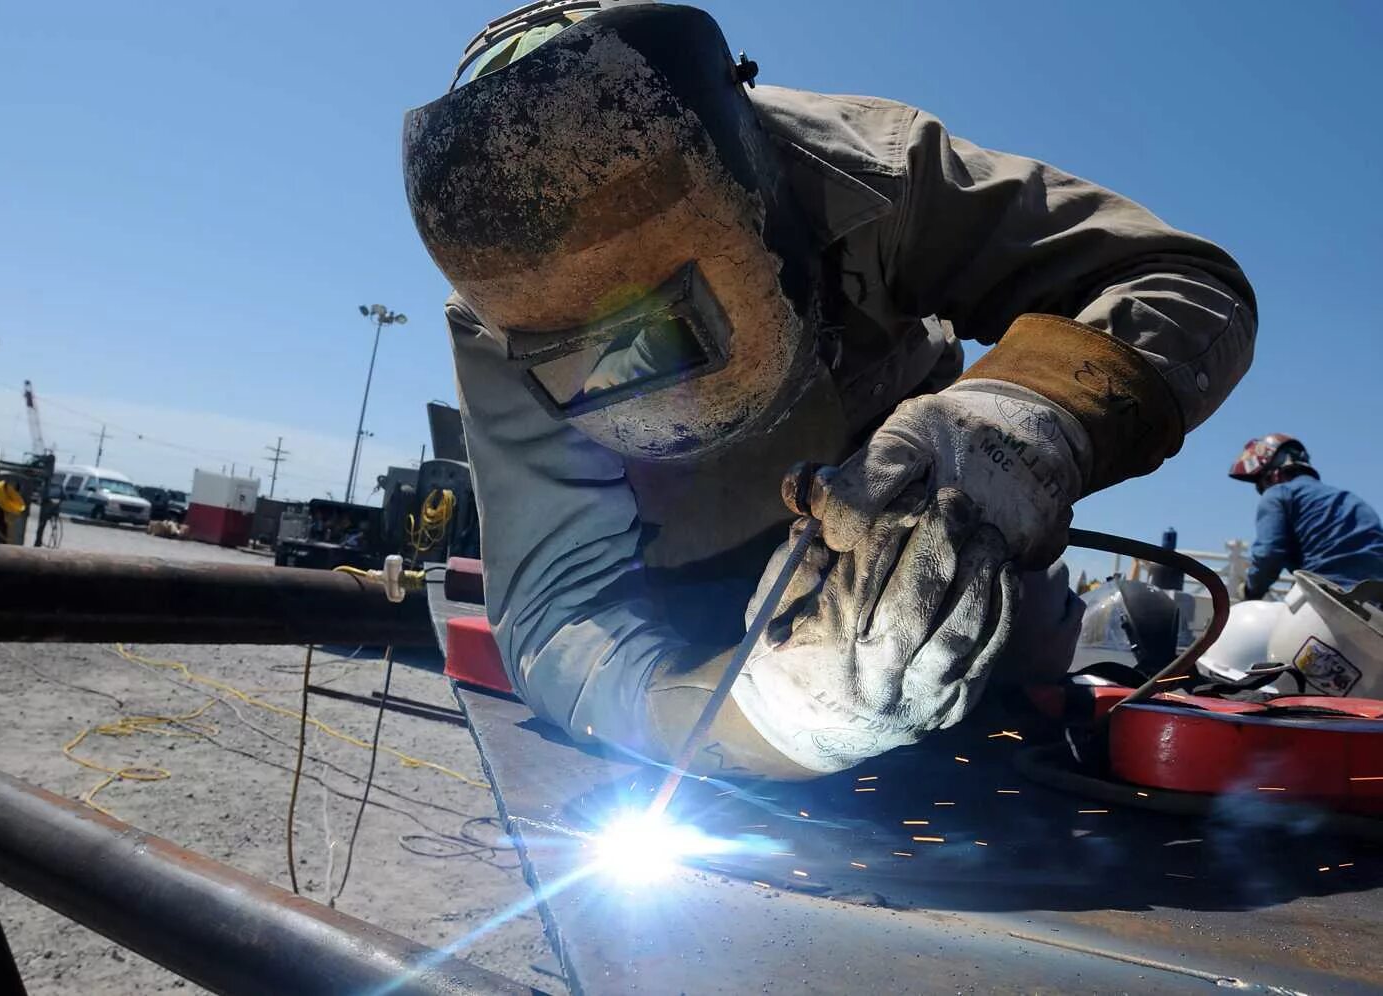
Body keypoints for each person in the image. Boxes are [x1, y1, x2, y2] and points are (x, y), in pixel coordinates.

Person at [402, 1, 1256, 778]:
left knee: (1012, 678)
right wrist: (766, 722)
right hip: (681, 608)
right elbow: (559, 615)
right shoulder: (499, 326)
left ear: (757, 197)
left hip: (929, 534)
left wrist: (1025, 419)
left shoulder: (869, 176)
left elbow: (1180, 281)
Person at [1228, 434, 1383, 601]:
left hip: (1328, 600)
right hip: (1377, 605)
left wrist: (1250, 591)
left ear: (1272, 475)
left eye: (1260, 485)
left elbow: (1268, 554)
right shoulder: (1353, 501)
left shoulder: (1278, 494)